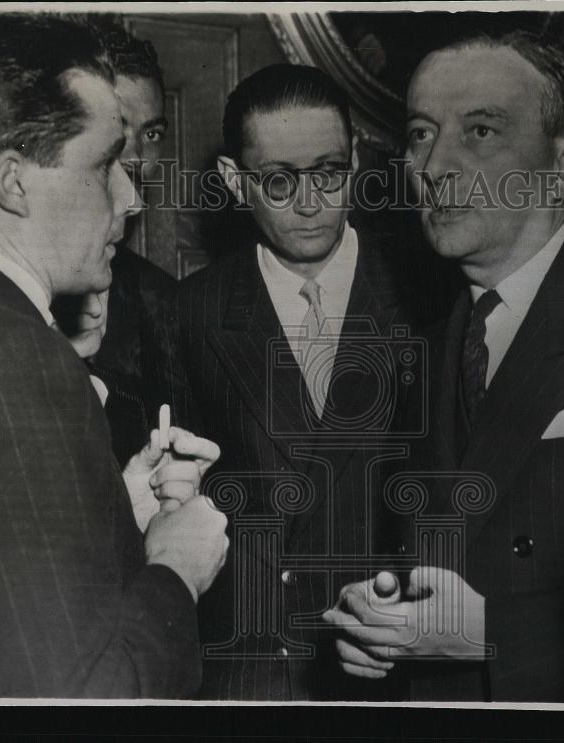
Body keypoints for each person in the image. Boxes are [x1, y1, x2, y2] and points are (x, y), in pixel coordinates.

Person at [0, 13, 227, 698]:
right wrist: (175, 569)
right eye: (104, 165)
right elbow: (80, 696)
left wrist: (108, 515)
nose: (129, 197)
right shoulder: (20, 359)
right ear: (13, 182)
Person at [324, 30, 564, 702]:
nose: (435, 164)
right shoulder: (426, 346)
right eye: (420, 133)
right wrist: (383, 618)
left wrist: (492, 633)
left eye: (480, 131)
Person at [172, 63, 416, 700]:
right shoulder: (188, 314)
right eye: (279, 180)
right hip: (250, 672)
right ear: (234, 180)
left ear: (355, 160)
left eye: (329, 172)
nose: (309, 203)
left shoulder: (429, 296)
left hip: (388, 665)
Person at [54, 17, 184, 468]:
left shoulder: (165, 304)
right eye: (118, 130)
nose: (137, 159)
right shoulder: (12, 282)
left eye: (152, 135)